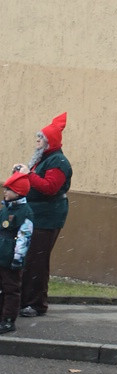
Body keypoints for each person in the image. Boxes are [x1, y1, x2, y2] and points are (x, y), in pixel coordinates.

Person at [15, 112, 72, 318]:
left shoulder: (58, 162)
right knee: (28, 259)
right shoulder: (43, 159)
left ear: (49, 142)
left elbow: (50, 187)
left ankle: (35, 303)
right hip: (35, 214)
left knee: (37, 260)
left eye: (40, 138)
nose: (37, 141)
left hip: (47, 217)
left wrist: (28, 175)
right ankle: (24, 300)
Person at [0, 172, 34, 334]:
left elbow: (24, 237)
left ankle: (8, 320)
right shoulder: (5, 209)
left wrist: (17, 258)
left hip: (11, 258)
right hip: (1, 255)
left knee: (11, 289)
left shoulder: (24, 212)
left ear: (18, 192)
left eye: (8, 190)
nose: (5, 192)